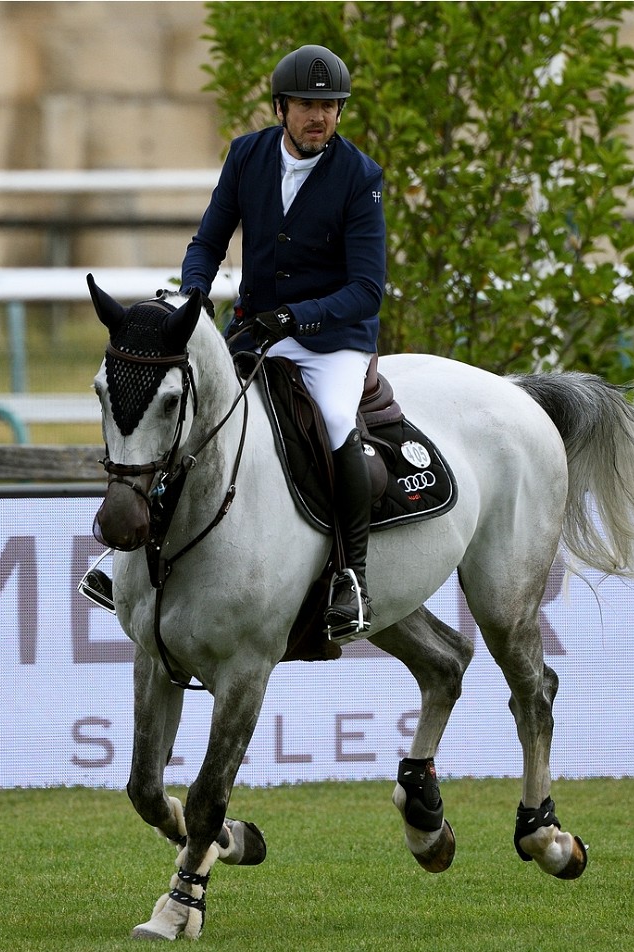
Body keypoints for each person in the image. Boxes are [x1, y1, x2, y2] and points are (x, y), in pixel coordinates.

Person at [179, 43, 386, 643]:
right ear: (280, 109)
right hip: (256, 329)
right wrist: (194, 293)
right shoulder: (246, 155)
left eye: (329, 106)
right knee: (187, 408)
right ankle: (131, 556)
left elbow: (367, 289)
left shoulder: (360, 176)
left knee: (336, 420)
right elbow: (207, 242)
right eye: (306, 105)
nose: (319, 117)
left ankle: (352, 575)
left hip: (333, 341)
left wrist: (297, 317)